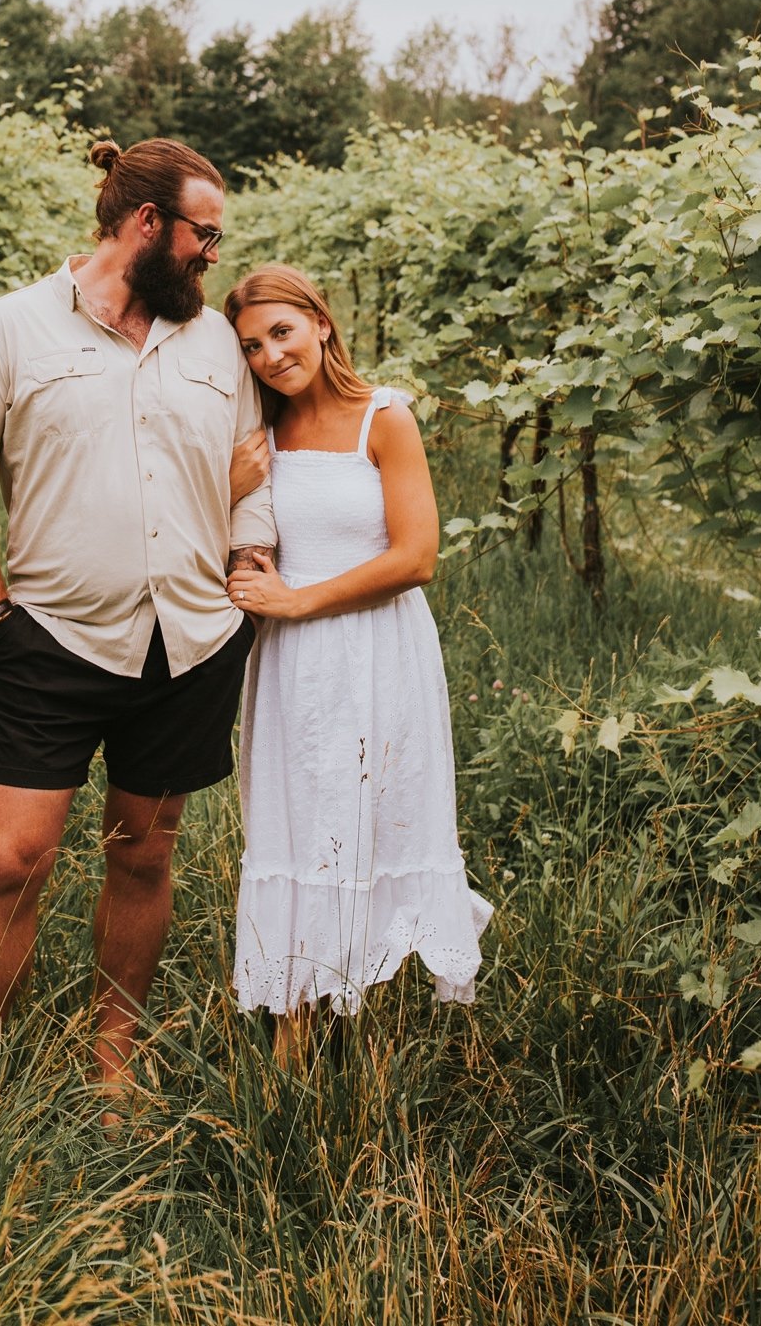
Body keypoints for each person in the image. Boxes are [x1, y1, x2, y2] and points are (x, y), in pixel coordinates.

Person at [0, 137, 275, 1130]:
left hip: (193, 644)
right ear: (147, 224)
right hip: (54, 642)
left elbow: (255, 469)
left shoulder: (215, 344)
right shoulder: (7, 331)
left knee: (143, 852)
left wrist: (246, 569)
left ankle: (110, 1057)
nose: (215, 254)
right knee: (10, 860)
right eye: (205, 233)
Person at [222, 264, 490, 1057]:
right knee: (298, 822)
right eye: (251, 345)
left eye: (282, 331)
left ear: (321, 324)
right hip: (291, 664)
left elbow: (416, 557)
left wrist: (301, 600)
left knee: (370, 815)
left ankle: (358, 1009)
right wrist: (224, 485)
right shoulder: (257, 434)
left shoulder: (385, 417)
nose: (270, 355)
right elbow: (233, 550)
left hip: (377, 649)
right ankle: (294, 1031)